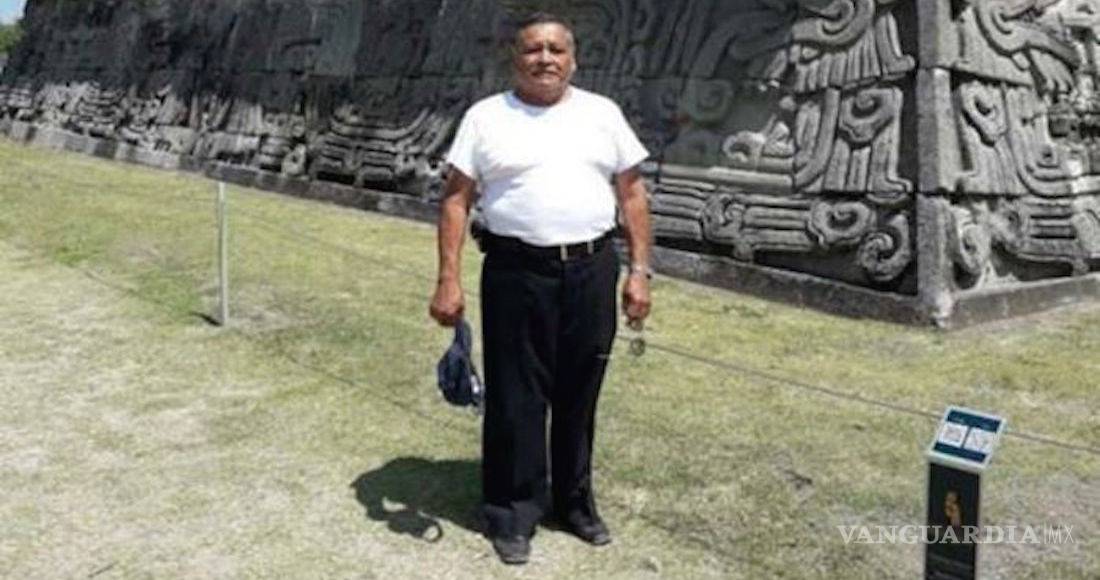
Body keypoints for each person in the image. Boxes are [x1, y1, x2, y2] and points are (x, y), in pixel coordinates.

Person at [428, 11, 653, 565]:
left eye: (556, 49)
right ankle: (512, 510)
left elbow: (631, 194)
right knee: (515, 395)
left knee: (580, 390)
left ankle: (573, 503)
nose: (545, 59)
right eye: (534, 49)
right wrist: (448, 278)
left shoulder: (602, 114)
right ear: (516, 58)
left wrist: (639, 271)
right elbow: (456, 199)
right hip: (515, 271)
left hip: (591, 269)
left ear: (573, 60)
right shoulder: (486, 118)